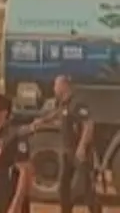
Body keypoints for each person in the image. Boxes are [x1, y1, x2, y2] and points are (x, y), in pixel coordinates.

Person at [38, 75, 101, 213]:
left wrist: (82, 147)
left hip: (79, 153)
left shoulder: (77, 103)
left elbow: (88, 125)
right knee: (64, 188)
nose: (54, 88)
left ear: (64, 86)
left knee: (86, 188)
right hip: (67, 152)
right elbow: (57, 113)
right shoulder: (64, 104)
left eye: (56, 85)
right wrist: (41, 121)